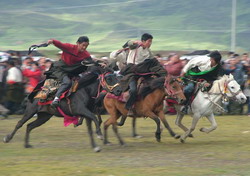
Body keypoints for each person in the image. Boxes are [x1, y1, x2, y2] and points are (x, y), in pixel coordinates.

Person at [46, 36, 92, 107]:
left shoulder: (86, 54)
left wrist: (101, 63)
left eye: (86, 46)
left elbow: (91, 62)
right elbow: (60, 44)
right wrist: (52, 41)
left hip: (71, 71)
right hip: (60, 69)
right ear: (78, 43)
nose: (84, 47)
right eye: (83, 45)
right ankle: (56, 98)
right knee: (67, 82)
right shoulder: (69, 47)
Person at [120, 33, 155, 116]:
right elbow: (125, 45)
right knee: (133, 90)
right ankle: (128, 108)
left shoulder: (148, 51)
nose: (150, 43)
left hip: (143, 72)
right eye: (148, 41)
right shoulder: (135, 46)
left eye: (151, 42)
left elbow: (153, 60)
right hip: (131, 72)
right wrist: (134, 42)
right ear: (143, 41)